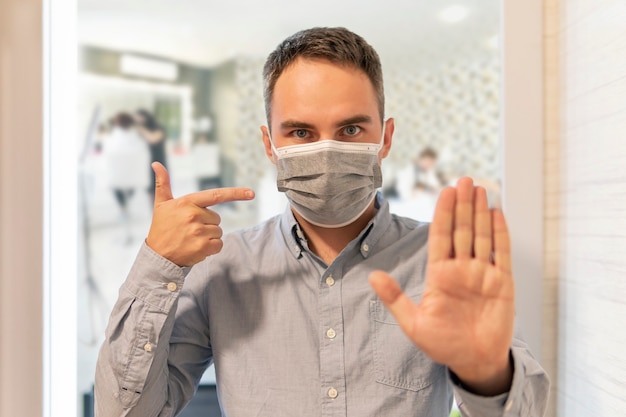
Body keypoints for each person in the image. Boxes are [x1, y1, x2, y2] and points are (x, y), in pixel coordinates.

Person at [95, 27, 549, 416]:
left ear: (385, 138)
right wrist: (158, 265)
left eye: (351, 130)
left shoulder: (442, 263)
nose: (327, 150)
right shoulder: (224, 267)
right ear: (270, 144)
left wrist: (487, 374)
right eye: (301, 132)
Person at [100, 112, 151, 244]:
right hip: (132, 181)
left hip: (116, 181)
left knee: (122, 201)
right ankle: (126, 213)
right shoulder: (137, 140)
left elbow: (105, 161)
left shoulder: (110, 140)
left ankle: (124, 212)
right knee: (127, 200)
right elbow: (143, 158)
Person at [135, 109, 168, 203]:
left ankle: (162, 210)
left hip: (158, 161)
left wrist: (142, 129)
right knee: (150, 190)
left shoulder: (157, 128)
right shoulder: (139, 131)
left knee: (160, 188)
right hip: (146, 164)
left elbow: (153, 139)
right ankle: (154, 212)